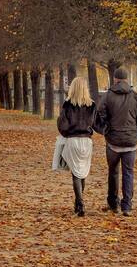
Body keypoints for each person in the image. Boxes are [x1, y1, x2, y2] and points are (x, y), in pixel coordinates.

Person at [95, 67, 137, 217]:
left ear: (115, 79)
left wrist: (105, 130)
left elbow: (99, 115)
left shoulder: (108, 96)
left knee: (113, 172)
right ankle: (127, 206)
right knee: (128, 173)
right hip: (131, 143)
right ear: (127, 80)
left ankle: (113, 204)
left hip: (113, 142)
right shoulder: (136, 96)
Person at [57, 77, 96, 217]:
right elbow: (96, 124)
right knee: (83, 172)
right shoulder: (92, 105)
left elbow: (62, 125)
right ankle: (79, 202)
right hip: (86, 141)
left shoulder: (67, 104)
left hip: (73, 140)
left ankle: (79, 203)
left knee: (75, 173)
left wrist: (67, 133)